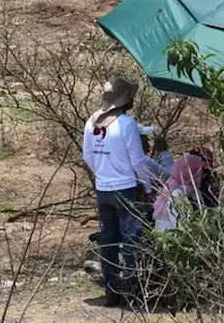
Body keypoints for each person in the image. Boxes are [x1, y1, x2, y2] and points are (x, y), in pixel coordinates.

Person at [82, 75, 149, 306]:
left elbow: (87, 156)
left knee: (108, 241)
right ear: (124, 100)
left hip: (103, 189)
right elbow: (138, 161)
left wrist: (102, 173)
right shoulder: (127, 125)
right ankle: (131, 291)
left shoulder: (91, 122)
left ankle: (111, 291)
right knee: (131, 242)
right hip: (126, 189)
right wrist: (147, 186)